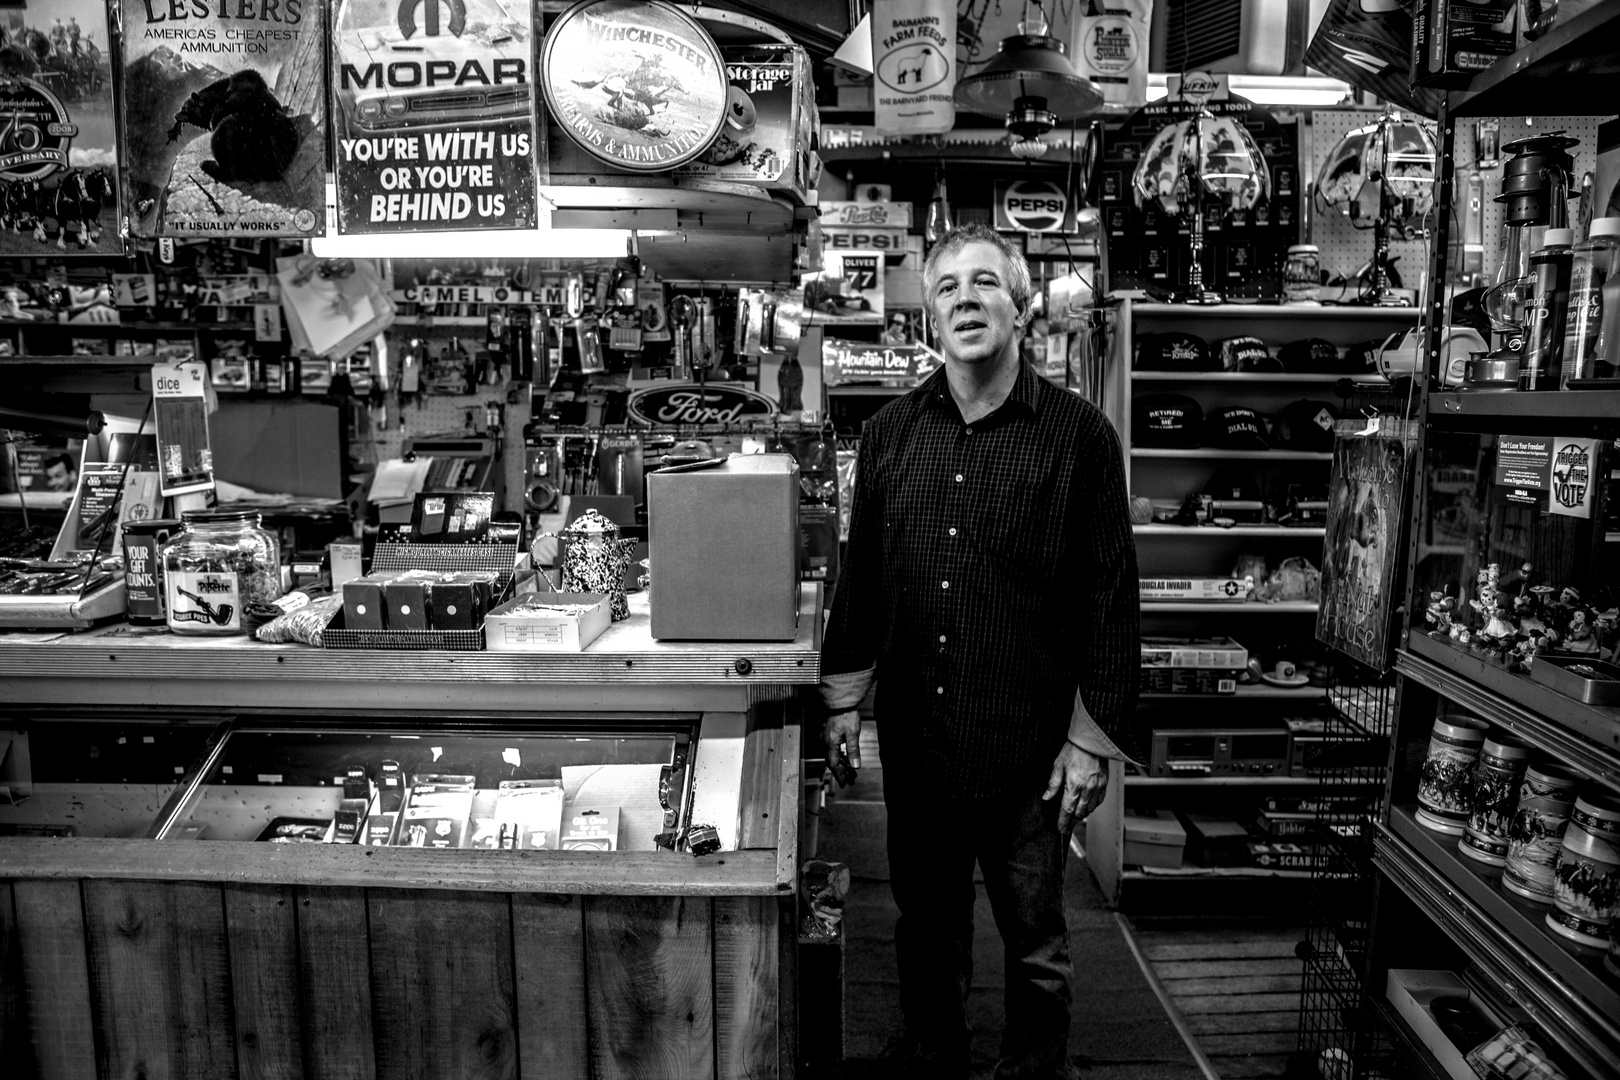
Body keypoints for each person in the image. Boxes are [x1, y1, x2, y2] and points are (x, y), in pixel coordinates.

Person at [818, 223, 1138, 1080]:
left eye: (986, 283)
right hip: (919, 744)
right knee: (926, 927)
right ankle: (933, 1055)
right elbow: (865, 576)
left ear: (1022, 305)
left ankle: (1034, 1068)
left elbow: (1111, 596)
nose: (966, 299)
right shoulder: (889, 436)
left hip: (1029, 752)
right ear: (930, 318)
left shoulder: (1078, 438)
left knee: (1036, 939)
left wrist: (1089, 740)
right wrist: (844, 699)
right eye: (949, 287)